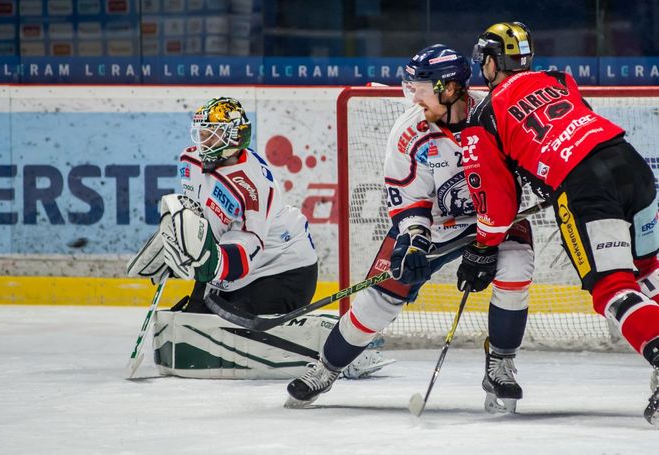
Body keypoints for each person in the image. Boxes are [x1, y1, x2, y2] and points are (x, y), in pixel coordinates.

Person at [285, 45, 535, 413]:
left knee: (517, 267)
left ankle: (500, 362)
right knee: (376, 304)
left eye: (421, 87)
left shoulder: (496, 115)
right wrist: (416, 242)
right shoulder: (410, 131)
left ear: (449, 89)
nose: (413, 96)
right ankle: (326, 367)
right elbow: (408, 200)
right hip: (433, 228)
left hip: (495, 221)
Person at [457, 21, 659, 426]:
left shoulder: (485, 115)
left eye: (485, 60)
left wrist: (481, 248)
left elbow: (497, 210)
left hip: (585, 185)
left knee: (612, 289)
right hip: (631, 165)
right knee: (649, 272)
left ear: (493, 62)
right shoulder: (559, 79)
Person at [127, 97, 382, 380]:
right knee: (194, 322)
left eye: (212, 134)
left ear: (234, 136)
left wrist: (206, 263)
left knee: (235, 331)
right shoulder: (190, 160)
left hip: (283, 273)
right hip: (234, 268)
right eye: (201, 133)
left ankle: (346, 347)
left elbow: (245, 254)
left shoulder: (251, 187)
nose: (203, 141)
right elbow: (195, 212)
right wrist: (176, 243)